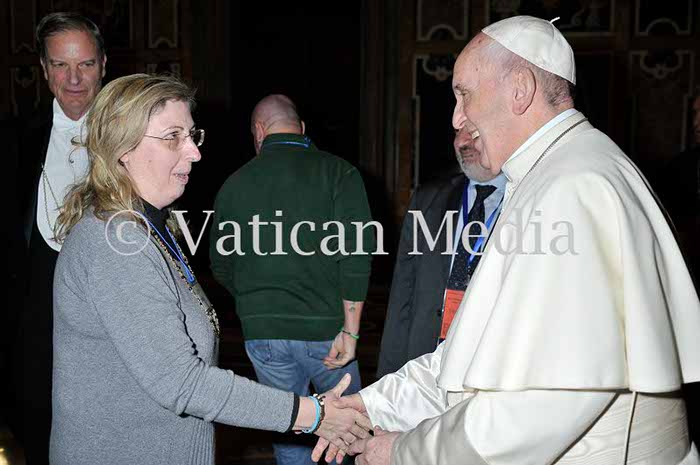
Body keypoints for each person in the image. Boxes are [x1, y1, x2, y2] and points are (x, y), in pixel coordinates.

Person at [314, 16, 700, 465]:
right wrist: (372, 406)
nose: (457, 117)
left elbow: (538, 406)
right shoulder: (555, 172)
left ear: (520, 89)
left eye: (464, 94)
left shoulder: (571, 188)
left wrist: (402, 450)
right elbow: (470, 353)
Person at [51, 74, 371, 465]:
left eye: (192, 135)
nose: (194, 153)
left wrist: (254, 300)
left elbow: (222, 267)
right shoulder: (115, 244)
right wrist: (314, 414)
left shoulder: (149, 227)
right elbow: (182, 382)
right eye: (173, 137)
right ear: (123, 148)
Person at [209, 94, 375, 465]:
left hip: (264, 334)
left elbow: (221, 264)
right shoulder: (339, 172)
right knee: (349, 432)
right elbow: (356, 255)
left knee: (291, 431)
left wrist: (258, 301)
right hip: (329, 331)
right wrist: (351, 332)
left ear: (258, 131)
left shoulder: (234, 184)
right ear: (301, 129)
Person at [11, 12, 106, 464]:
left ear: (103, 65)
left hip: (111, 308)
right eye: (60, 65)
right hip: (35, 314)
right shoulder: (15, 137)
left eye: (85, 64)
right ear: (44, 69)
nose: (73, 79)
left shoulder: (135, 134)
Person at [376, 126, 506, 377]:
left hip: (489, 365)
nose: (463, 141)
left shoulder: (527, 200)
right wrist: (388, 374)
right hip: (424, 359)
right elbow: (403, 292)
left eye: (474, 131)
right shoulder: (428, 198)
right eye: (458, 132)